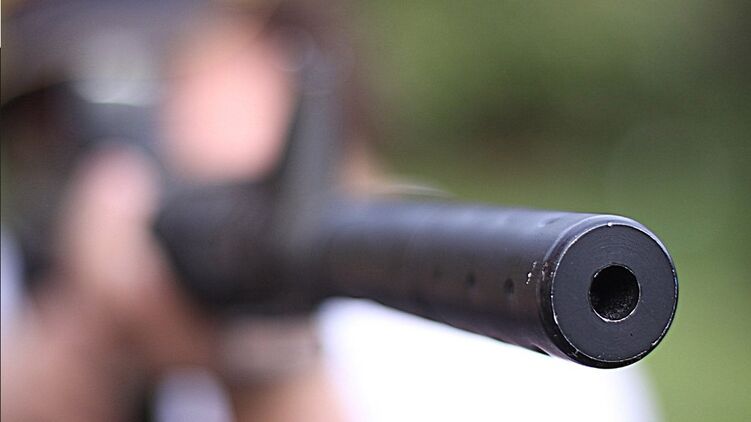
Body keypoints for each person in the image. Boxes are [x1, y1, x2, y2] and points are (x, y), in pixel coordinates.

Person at [1, 1, 662, 421]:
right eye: (55, 112)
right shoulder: (28, 284)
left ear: (291, 46)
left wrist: (266, 373)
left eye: (151, 74)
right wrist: (82, 350)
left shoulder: (498, 326)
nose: (99, 145)